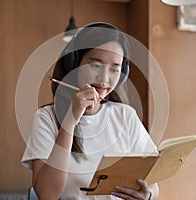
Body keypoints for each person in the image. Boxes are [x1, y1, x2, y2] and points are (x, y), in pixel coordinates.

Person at [21, 22, 159, 200]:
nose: (104, 78)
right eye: (95, 65)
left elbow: (153, 184)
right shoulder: (46, 118)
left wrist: (147, 195)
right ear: (74, 64)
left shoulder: (126, 115)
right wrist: (70, 120)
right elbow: (47, 195)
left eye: (115, 69)